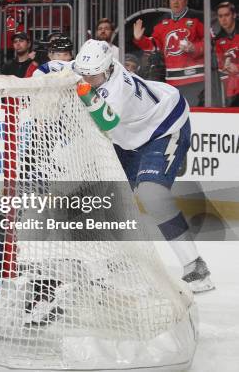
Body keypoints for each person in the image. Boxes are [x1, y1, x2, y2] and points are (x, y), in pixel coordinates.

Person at [73, 39, 213, 293]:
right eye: (84, 75)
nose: (87, 80)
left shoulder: (117, 90)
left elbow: (106, 123)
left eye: (92, 77)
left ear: (107, 71)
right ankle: (122, 260)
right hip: (129, 135)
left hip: (163, 125)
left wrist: (83, 93)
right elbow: (67, 70)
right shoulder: (94, 69)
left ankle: (195, 267)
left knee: (151, 194)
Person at [133, 0, 205, 105]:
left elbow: (210, 42)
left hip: (196, 80)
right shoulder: (162, 21)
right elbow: (155, 46)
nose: (176, 2)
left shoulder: (197, 17)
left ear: (186, 1)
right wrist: (139, 39)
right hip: (172, 82)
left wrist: (194, 48)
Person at [214, 1, 239, 107]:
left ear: (234, 15)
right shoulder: (218, 40)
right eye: (220, 16)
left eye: (227, 15)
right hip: (232, 90)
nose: (223, 19)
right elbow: (220, 63)